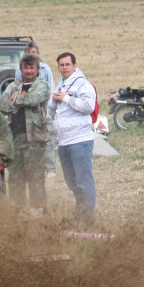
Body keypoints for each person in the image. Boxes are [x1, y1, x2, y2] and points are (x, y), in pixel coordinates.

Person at [48, 52, 98, 225]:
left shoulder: (83, 84)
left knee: (84, 181)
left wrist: (66, 98)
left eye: (67, 64)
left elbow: (89, 106)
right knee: (72, 182)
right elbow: (51, 110)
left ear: (74, 66)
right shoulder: (60, 85)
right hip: (63, 141)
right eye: (61, 65)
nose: (64, 67)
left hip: (80, 140)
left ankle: (87, 218)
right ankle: (79, 214)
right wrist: (55, 101)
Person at [0, 54, 50, 210]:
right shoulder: (13, 85)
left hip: (34, 140)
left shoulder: (43, 85)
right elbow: (2, 104)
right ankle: (18, 212)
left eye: (31, 68)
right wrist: (21, 97)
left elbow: (33, 99)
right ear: (21, 69)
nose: (28, 71)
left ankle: (38, 212)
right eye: (25, 68)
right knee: (15, 178)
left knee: (35, 177)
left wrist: (15, 99)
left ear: (37, 70)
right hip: (14, 139)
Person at [14, 42, 57, 176]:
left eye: (33, 52)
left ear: (38, 54)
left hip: (43, 112)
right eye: (29, 52)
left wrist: (49, 110)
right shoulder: (18, 70)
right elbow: (16, 90)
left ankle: (50, 169)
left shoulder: (45, 68)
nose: (31, 54)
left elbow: (49, 89)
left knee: (47, 142)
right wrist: (23, 98)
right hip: (25, 115)